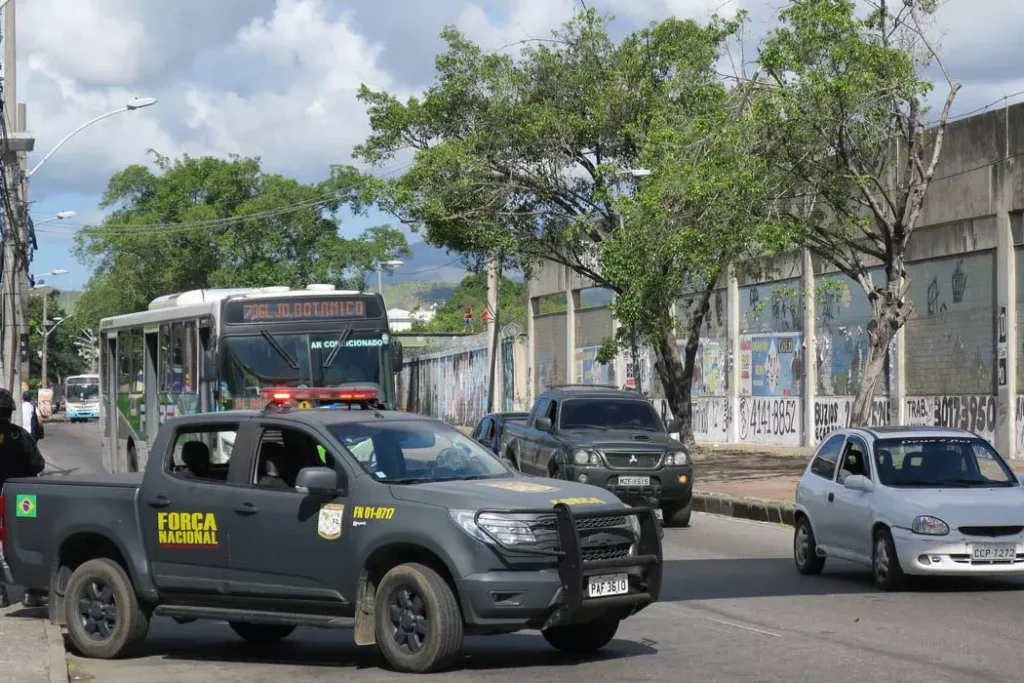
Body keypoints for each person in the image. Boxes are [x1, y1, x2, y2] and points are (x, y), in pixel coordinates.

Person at [0, 388, 46, 608]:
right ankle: (33, 592)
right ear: (11, 412)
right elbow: (38, 464)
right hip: (21, 499)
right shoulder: (20, 435)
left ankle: (1, 594)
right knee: (29, 540)